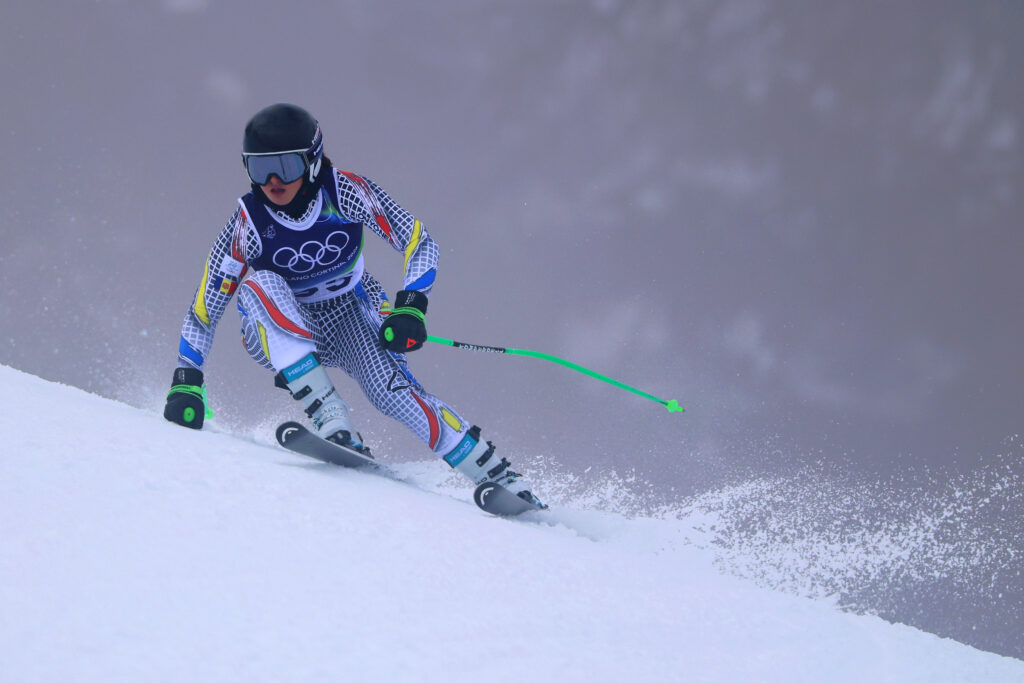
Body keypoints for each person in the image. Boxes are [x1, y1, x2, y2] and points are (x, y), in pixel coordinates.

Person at [163, 102, 544, 509]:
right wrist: (188, 378)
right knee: (259, 285)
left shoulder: (343, 190)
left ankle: (500, 477)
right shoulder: (248, 223)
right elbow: (206, 306)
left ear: (310, 161)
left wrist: (411, 306)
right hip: (282, 326)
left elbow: (417, 240)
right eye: (259, 169)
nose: (273, 181)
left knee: (393, 394)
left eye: (286, 167)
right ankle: (331, 417)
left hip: (351, 313)